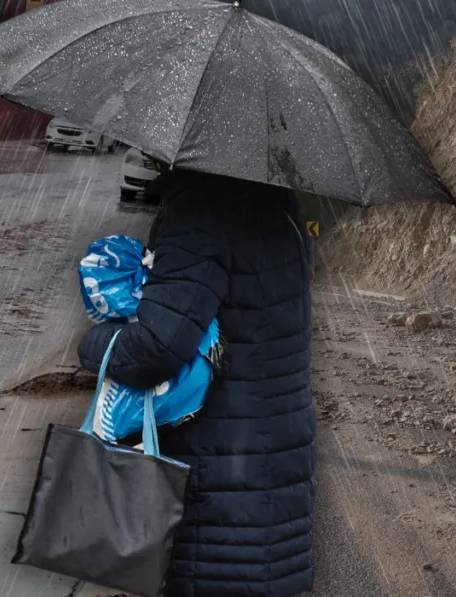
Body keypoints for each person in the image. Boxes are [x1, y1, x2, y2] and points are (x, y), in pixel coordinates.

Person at [78, 169, 315, 597]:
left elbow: (157, 348)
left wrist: (95, 344)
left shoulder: (202, 209)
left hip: (220, 471)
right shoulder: (278, 202)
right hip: (277, 454)